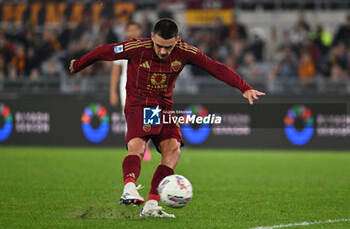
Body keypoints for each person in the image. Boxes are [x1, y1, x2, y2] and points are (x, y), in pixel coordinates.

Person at [69, 18, 265, 218]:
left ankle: (152, 204)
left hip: (165, 106)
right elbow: (104, 52)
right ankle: (129, 188)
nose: (163, 51)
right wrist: (78, 64)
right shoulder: (137, 47)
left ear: (177, 40)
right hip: (141, 102)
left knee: (173, 151)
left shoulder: (185, 51)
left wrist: (244, 87)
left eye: (168, 47)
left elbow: (215, 67)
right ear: (152, 37)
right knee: (138, 146)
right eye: (160, 46)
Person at [109, 21, 151, 162]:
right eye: (130, 30)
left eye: (135, 29)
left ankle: (145, 146)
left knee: (150, 117)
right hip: (127, 88)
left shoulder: (148, 47)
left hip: (147, 88)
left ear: (140, 30)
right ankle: (133, 148)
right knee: (130, 119)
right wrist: (112, 91)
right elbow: (116, 71)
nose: (133, 32)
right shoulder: (121, 48)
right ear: (126, 32)